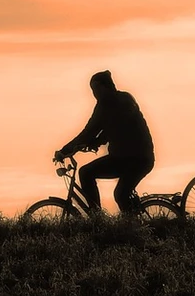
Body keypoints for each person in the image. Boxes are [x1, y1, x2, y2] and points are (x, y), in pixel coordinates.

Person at [54, 70, 155, 214]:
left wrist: (67, 150)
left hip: (139, 159)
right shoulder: (109, 104)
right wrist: (88, 144)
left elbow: (108, 127)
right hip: (122, 158)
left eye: (96, 89)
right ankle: (100, 216)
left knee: (120, 193)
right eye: (92, 90)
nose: (94, 93)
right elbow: (96, 130)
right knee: (87, 173)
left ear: (106, 87)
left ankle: (104, 219)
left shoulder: (121, 102)